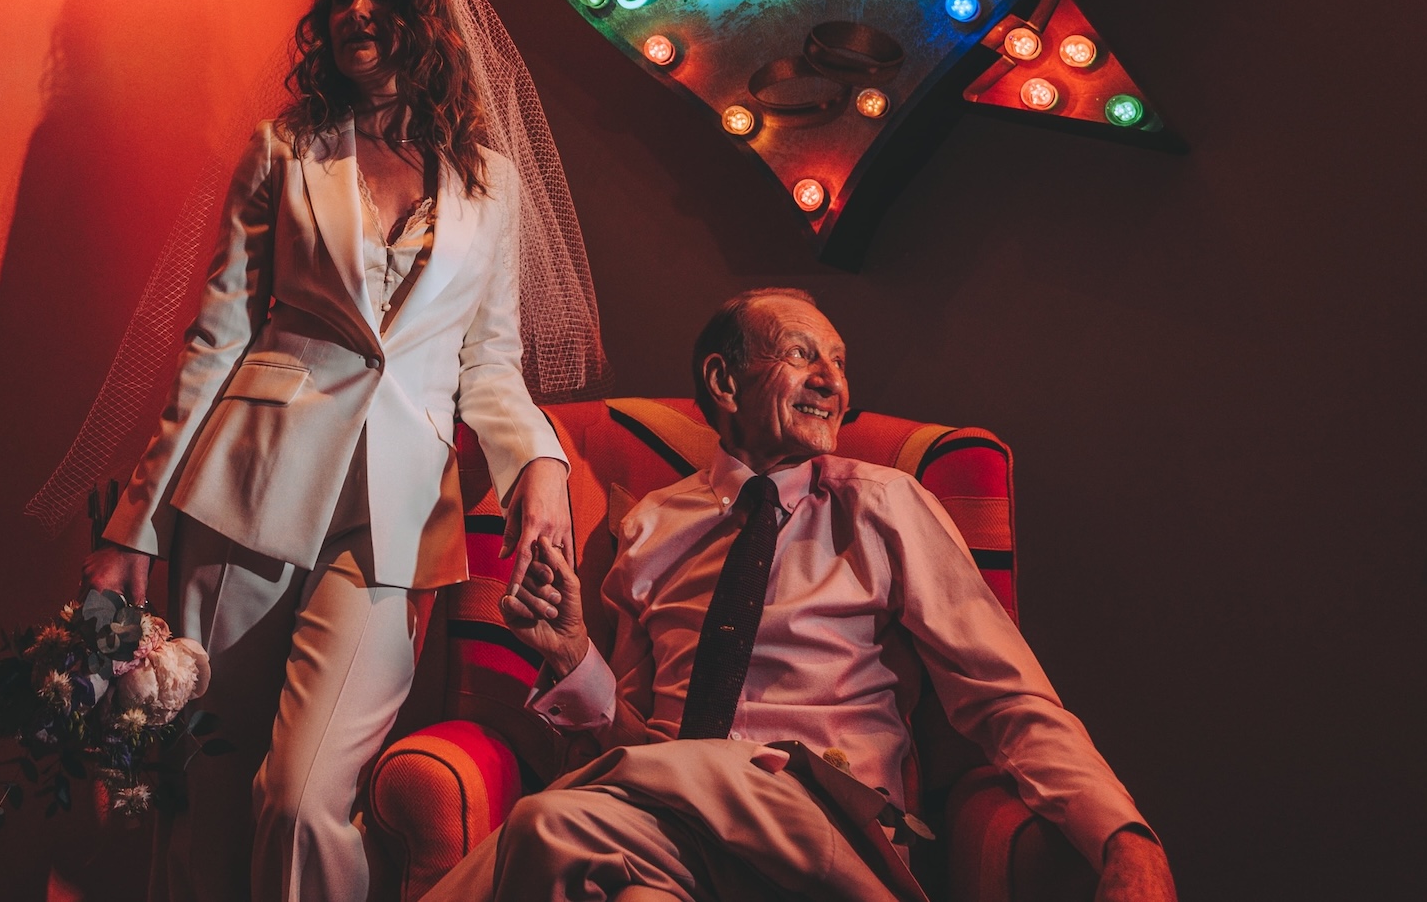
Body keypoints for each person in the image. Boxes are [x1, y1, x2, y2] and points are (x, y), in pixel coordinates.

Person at [81, 0, 578, 902]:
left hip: (391, 521)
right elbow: (216, 340)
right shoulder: (284, 147)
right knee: (207, 783)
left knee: (303, 796)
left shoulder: (491, 184)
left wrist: (540, 464)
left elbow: (490, 363)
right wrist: (132, 524)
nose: (354, 11)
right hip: (244, 492)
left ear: (429, 20)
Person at [449, 288, 1178, 902]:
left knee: (548, 824)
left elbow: (1005, 697)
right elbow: (626, 745)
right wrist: (576, 658)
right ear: (724, 381)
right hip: (671, 821)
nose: (833, 381)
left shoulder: (888, 504)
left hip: (828, 817)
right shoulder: (649, 526)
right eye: (803, 355)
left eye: (839, 363)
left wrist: (1123, 835)